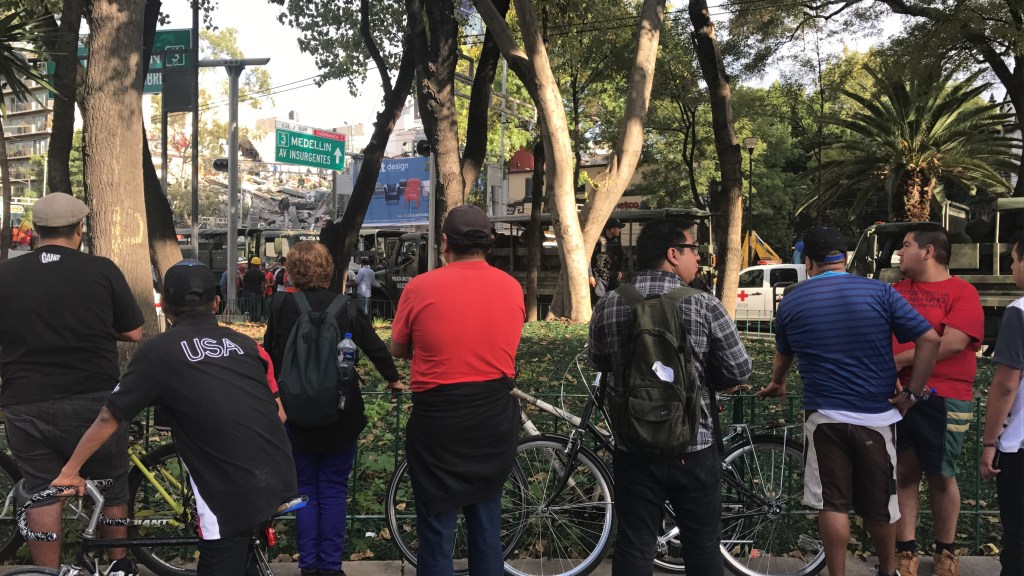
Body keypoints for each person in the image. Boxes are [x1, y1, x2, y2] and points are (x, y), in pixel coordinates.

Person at [52, 259, 295, 576]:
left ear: (164, 305)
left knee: (221, 561)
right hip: (276, 472)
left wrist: (69, 471)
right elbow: (280, 414)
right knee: (244, 556)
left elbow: (109, 417)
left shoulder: (158, 351)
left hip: (225, 487)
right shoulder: (245, 344)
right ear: (217, 303)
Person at [757, 226, 941, 576]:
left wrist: (777, 382)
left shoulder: (793, 300)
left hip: (824, 417)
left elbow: (783, 354)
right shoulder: (880, 292)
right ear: (844, 258)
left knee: (832, 504)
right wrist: (911, 395)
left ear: (808, 262)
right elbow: (929, 339)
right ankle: (888, 570)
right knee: (881, 505)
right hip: (877, 416)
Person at [589, 218, 752, 575]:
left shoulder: (610, 304)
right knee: (702, 544)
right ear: (673, 254)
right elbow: (739, 370)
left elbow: (598, 361)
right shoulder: (705, 305)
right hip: (694, 445)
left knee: (634, 544)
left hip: (633, 446)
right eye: (694, 249)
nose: (699, 257)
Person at [0, 192, 145, 574]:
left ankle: (47, 573)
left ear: (36, 230)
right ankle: (117, 566)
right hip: (94, 399)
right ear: (80, 228)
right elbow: (134, 332)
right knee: (111, 483)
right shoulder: (102, 270)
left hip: (25, 399)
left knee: (41, 490)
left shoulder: (6, 274)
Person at [390, 204, 524, 576]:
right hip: (493, 421)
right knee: (487, 526)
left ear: (445, 242)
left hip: (438, 425)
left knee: (435, 528)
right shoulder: (511, 288)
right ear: (490, 242)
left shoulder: (420, 287)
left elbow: (398, 348)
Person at [263, 241, 403, 576]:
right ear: (328, 270)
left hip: (294, 411)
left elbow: (269, 353)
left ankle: (309, 565)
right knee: (334, 488)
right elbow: (374, 346)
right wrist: (393, 378)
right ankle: (329, 565)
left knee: (306, 488)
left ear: (292, 271)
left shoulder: (281, 304)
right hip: (341, 411)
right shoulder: (347, 306)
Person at [890, 224, 984, 576]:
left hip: (945, 397)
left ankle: (946, 551)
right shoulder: (895, 291)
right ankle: (905, 550)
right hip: (897, 396)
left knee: (942, 474)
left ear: (928, 251)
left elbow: (954, 342)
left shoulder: (963, 293)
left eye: (906, 245)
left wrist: (899, 361)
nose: (900, 253)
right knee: (904, 472)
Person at [980, 232, 1024, 576]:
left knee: (1019, 539)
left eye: (1013, 260)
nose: (1011, 268)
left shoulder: (1018, 312)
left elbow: (1006, 384)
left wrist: (989, 442)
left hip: (1019, 445)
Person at [589, 217, 625, 302]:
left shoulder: (616, 240)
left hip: (614, 276)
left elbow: (621, 255)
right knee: (600, 300)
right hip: (599, 277)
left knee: (615, 300)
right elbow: (589, 258)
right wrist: (590, 276)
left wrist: (620, 270)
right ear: (612, 229)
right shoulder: (598, 240)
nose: (619, 230)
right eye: (618, 228)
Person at [241, 256, 266, 322]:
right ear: (259, 265)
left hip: (246, 293)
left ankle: (247, 321)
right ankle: (254, 321)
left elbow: (243, 282)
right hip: (256, 294)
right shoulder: (261, 273)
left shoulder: (247, 272)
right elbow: (263, 284)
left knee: (247, 309)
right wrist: (263, 293)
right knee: (255, 309)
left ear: (251, 264)